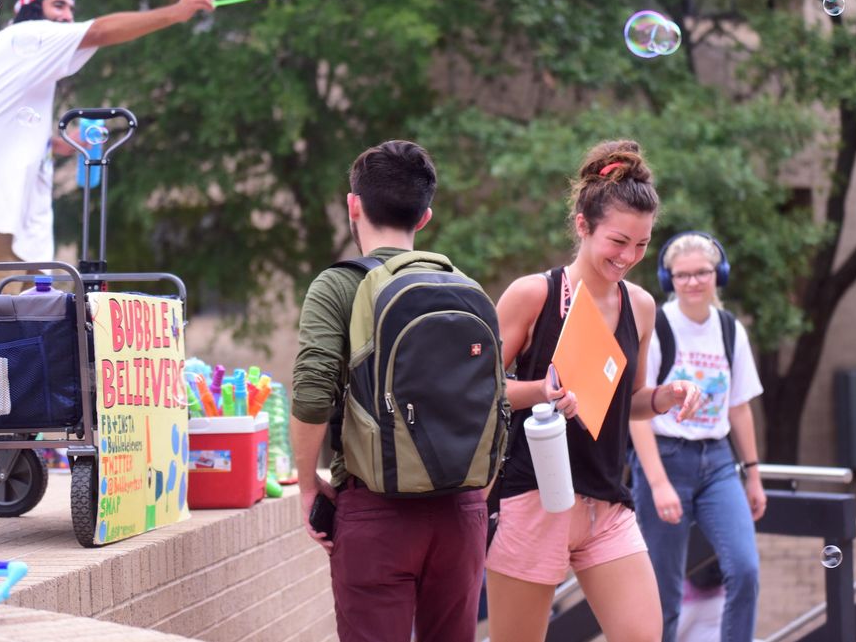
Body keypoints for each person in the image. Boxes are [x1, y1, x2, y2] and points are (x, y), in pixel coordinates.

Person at [485, 140, 706, 642]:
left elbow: (627, 402)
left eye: (642, 244)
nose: (628, 257)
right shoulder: (533, 294)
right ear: (583, 226)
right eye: (618, 241)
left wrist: (665, 398)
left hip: (607, 503)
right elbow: (476, 391)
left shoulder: (643, 306)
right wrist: (544, 390)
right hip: (534, 498)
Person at [289, 140, 488, 642]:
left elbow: (313, 395)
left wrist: (308, 483)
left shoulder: (336, 286)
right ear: (425, 217)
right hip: (461, 514)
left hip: (376, 512)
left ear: (353, 205)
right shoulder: (463, 285)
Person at [0, 0, 215, 296]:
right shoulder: (23, 35)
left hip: (25, 233)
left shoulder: (24, 60)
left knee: (21, 338)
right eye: (58, 5)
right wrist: (176, 12)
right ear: (32, 10)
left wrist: (52, 145)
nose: (68, 16)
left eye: (71, 9)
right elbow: (98, 31)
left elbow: (9, 131)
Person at [628, 231, 765, 642]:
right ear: (669, 279)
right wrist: (658, 484)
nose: (692, 282)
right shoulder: (659, 325)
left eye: (701, 273)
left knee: (745, 569)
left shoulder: (728, 329)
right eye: (681, 275)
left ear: (717, 274)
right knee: (664, 592)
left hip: (719, 462)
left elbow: (738, 406)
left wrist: (754, 474)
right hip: (665, 458)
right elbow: (638, 412)